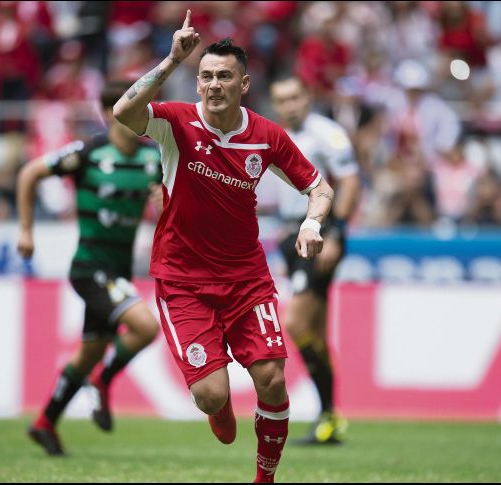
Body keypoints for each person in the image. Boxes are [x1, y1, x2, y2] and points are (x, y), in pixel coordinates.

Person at [113, 11, 334, 483]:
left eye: (224, 76)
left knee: (272, 379)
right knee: (212, 394)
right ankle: (218, 409)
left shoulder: (267, 136)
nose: (214, 85)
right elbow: (123, 112)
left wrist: (313, 224)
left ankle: (265, 478)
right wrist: (173, 59)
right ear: (196, 84)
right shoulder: (174, 123)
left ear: (244, 83)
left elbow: (320, 187)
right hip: (183, 282)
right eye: (206, 76)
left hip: (246, 281)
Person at [18, 80, 163, 456]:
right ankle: (103, 381)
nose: (145, 110)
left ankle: (45, 421)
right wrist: (25, 231)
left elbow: (171, 207)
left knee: (88, 353)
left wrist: (165, 204)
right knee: (146, 327)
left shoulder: (153, 158)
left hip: (119, 269)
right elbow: (30, 173)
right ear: (117, 110)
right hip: (90, 267)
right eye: (138, 102)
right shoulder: (88, 153)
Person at [258, 76, 359, 445]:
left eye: (296, 97)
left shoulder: (327, 134)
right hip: (290, 235)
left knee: (297, 322)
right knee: (312, 330)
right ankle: (329, 418)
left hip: (318, 234)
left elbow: (349, 181)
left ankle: (329, 414)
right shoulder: (275, 135)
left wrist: (336, 233)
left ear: (308, 97)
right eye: (282, 99)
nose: (290, 105)